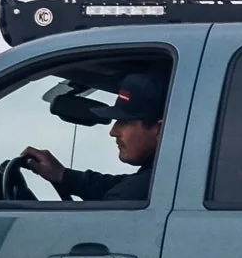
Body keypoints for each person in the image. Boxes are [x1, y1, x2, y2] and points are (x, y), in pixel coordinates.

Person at [18, 71, 163, 204]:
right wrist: (62, 174)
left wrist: (21, 198)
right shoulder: (162, 180)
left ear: (159, 130)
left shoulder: (138, 191)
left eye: (125, 122)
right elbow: (110, 185)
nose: (113, 131)